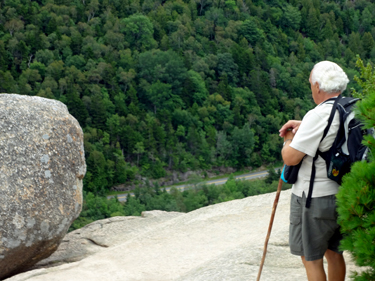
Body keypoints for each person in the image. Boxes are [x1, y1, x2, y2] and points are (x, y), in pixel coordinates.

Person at [279, 61, 349, 281]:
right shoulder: (349, 108)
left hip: (314, 199)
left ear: (318, 86)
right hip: (342, 194)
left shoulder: (317, 115)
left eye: (311, 83)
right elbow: (333, 132)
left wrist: (289, 138)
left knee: (311, 258)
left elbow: (290, 158)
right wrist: (305, 126)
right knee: (335, 253)